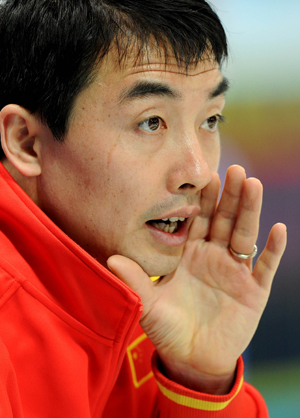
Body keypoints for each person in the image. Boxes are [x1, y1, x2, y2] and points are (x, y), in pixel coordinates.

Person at [0, 0, 286, 417]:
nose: (200, 172)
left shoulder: (145, 277)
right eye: (151, 122)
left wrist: (200, 383)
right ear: (26, 141)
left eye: (210, 120)